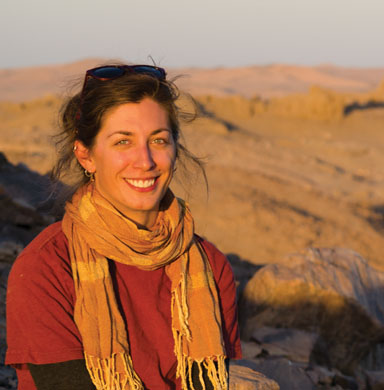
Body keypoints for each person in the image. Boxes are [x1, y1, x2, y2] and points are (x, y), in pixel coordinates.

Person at [4, 64, 241, 390]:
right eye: (122, 142)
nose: (144, 161)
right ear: (86, 155)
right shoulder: (47, 267)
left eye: (158, 140)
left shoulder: (209, 267)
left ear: (174, 148)